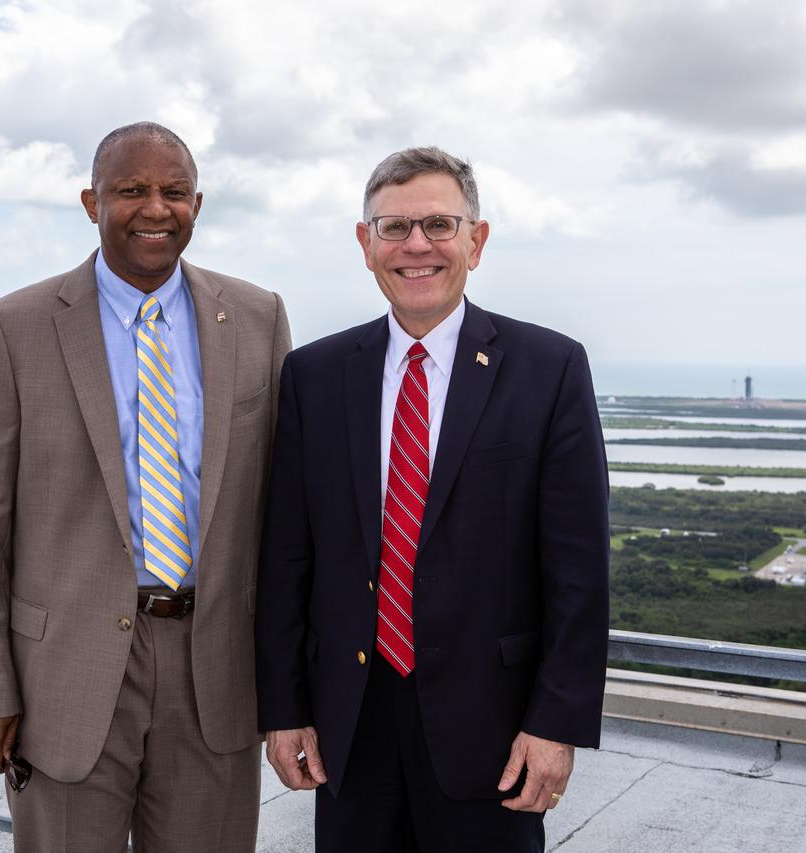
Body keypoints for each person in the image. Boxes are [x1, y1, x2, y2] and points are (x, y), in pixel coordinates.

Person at [0, 121, 291, 852]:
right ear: (90, 201)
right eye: (131, 190)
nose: (155, 209)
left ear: (199, 203)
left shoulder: (257, 318)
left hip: (217, 672)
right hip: (64, 678)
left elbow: (283, 516)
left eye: (174, 192)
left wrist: (292, 683)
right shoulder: (15, 327)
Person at [254, 146, 609, 852]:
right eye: (393, 228)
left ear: (476, 241)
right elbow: (286, 556)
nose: (417, 246)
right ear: (366, 245)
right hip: (349, 726)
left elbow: (579, 571)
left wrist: (557, 724)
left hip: (496, 732)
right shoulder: (315, 375)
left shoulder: (549, 368)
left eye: (440, 225)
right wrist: (284, 708)